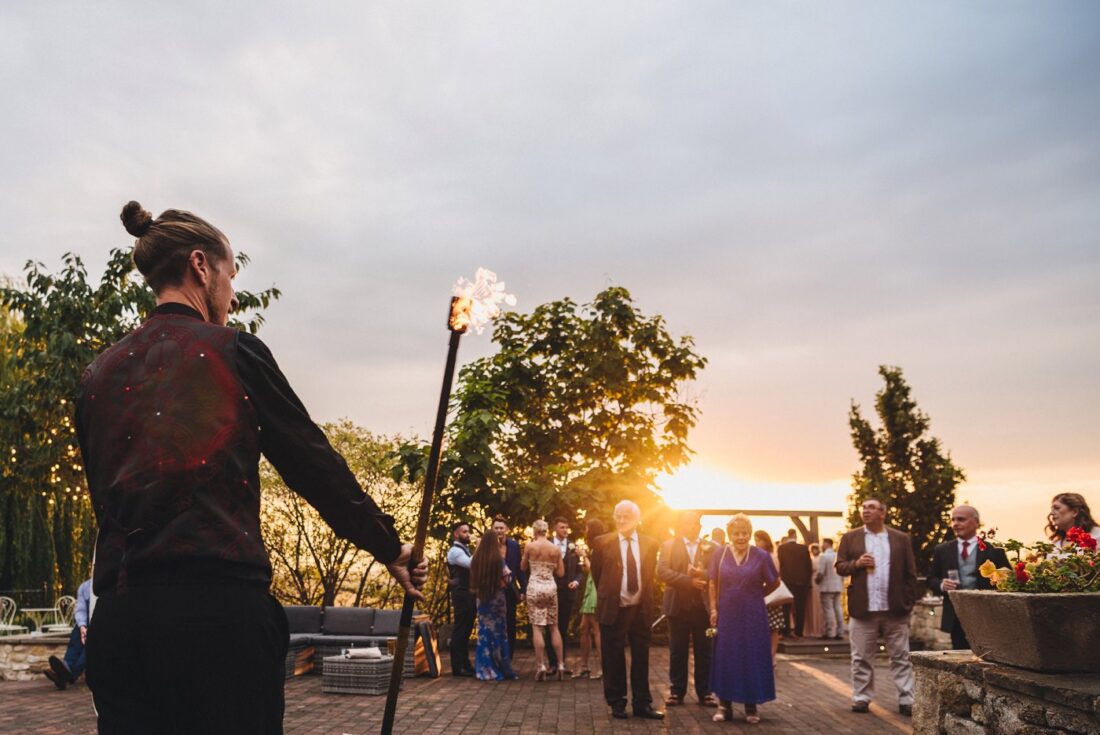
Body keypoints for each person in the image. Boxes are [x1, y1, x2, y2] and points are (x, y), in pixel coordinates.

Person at [76, 202, 426, 733]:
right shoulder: (234, 352)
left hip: (121, 623)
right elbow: (310, 462)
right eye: (230, 274)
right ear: (200, 266)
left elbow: (103, 493)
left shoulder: (96, 375)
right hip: (219, 620)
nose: (233, 294)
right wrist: (387, 545)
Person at [835, 498, 918, 717]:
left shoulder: (900, 539)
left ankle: (907, 699)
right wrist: (857, 564)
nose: (866, 511)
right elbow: (840, 567)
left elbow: (911, 574)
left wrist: (907, 603)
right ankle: (861, 697)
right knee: (861, 657)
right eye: (863, 508)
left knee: (901, 656)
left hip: (895, 610)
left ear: (883, 513)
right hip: (863, 609)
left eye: (871, 507)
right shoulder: (850, 537)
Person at [590, 500, 664, 720]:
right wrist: (611, 593)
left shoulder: (650, 544)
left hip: (640, 608)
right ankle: (617, 702)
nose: (622, 520)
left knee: (641, 657)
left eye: (627, 517)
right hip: (614, 608)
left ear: (637, 519)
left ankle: (642, 704)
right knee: (613, 656)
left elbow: (649, 575)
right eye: (618, 516)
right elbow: (597, 573)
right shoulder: (602, 542)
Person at [708, 515, 780, 724]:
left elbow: (775, 582)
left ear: (750, 533)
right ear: (730, 535)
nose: (741, 537)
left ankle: (751, 706)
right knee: (726, 655)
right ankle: (724, 705)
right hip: (727, 613)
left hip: (753, 613)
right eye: (736, 533)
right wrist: (713, 609)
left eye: (744, 533)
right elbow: (712, 583)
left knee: (752, 655)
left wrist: (758, 595)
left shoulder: (761, 555)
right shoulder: (719, 554)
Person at [926, 505, 1009, 650]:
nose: (955, 524)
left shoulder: (995, 551)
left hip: (987, 616)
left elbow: (1009, 580)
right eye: (953, 520)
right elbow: (930, 579)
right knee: (959, 658)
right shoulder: (942, 550)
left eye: (961, 519)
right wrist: (941, 584)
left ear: (976, 522)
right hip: (956, 616)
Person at [657, 511, 715, 707]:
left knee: (705, 650)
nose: (693, 526)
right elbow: (662, 571)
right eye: (689, 523)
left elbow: (717, 572)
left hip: (703, 606)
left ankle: (706, 692)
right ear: (681, 525)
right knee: (677, 650)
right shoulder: (669, 545)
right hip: (677, 606)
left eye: (696, 523)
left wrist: (702, 574)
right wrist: (690, 581)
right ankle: (676, 691)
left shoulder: (712, 547)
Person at [470, 528, 518, 681]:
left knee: (484, 632)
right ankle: (501, 667)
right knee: (499, 633)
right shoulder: (498, 559)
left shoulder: (476, 559)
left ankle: (484, 668)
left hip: (482, 599)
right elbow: (508, 580)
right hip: (497, 600)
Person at [522, 519, 566, 680]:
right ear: (547, 531)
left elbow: (522, 567)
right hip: (550, 587)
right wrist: (551, 566)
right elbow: (561, 573)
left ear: (534, 531)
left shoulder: (530, 546)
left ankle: (541, 666)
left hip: (534, 587)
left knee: (537, 628)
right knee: (554, 627)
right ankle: (560, 665)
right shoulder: (555, 549)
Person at [545, 516, 581, 673]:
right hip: (550, 591)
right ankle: (552, 664)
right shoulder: (546, 544)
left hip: (568, 593)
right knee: (550, 626)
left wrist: (576, 581)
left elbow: (580, 571)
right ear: (554, 528)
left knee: (563, 627)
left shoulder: (574, 546)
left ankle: (562, 662)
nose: (565, 530)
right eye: (562, 527)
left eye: (567, 527)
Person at [45, 576, 94, 690]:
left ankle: (69, 674)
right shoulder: (85, 587)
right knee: (78, 629)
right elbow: (81, 610)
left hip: (102, 624)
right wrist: (82, 627)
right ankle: (65, 670)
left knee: (90, 643)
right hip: (88, 623)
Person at [491, 517, 525, 658]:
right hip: (493, 590)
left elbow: (519, 569)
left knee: (510, 622)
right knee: (495, 622)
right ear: (492, 530)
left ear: (507, 530)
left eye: (501, 528)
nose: (499, 530)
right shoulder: (489, 546)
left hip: (510, 589)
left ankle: (509, 655)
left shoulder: (514, 545)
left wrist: (523, 589)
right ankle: (495, 654)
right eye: (496, 528)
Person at [576, 518, 605, 680]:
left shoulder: (599, 546)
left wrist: (583, 556)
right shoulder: (594, 546)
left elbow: (593, 569)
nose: (585, 531)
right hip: (590, 586)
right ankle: (584, 666)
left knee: (596, 629)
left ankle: (604, 668)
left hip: (595, 588)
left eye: (587, 528)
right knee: (583, 628)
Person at [446, 521, 476, 676]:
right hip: (461, 594)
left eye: (468, 531)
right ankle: (457, 667)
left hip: (467, 593)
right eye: (464, 532)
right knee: (461, 629)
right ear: (456, 534)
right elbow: (473, 565)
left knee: (466, 630)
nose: (468, 534)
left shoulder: (464, 549)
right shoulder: (456, 552)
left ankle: (465, 664)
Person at [752, 530, 785, 666]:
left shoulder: (770, 556)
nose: (756, 543)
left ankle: (772, 654)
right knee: (767, 626)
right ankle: (766, 654)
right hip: (764, 594)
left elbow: (774, 576)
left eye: (759, 540)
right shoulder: (761, 555)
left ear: (765, 541)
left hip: (771, 593)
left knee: (773, 627)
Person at [777, 529, 812, 638]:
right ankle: (799, 631)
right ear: (795, 536)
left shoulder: (782, 548)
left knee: (785, 608)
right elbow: (808, 566)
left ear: (788, 536)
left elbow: (780, 565)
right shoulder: (804, 548)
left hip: (787, 582)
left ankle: (786, 631)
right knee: (800, 607)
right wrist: (807, 581)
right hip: (801, 582)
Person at [815, 538, 845, 640]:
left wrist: (817, 580)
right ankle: (840, 632)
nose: (822, 545)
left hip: (826, 587)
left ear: (826, 544)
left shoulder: (823, 556)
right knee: (838, 608)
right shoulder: (838, 555)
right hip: (837, 586)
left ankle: (830, 632)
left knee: (828, 610)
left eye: (823, 543)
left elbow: (821, 572)